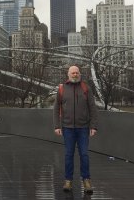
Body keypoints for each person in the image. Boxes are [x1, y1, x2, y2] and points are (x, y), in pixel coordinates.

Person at [53, 65, 98, 194]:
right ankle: (68, 180)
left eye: (77, 72)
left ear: (80, 74)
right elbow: (56, 108)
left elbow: (92, 108)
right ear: (68, 74)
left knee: (84, 154)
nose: (75, 74)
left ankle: (86, 180)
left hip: (83, 128)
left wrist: (93, 126)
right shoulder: (62, 89)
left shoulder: (86, 88)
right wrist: (57, 126)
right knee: (68, 155)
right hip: (67, 128)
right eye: (72, 73)